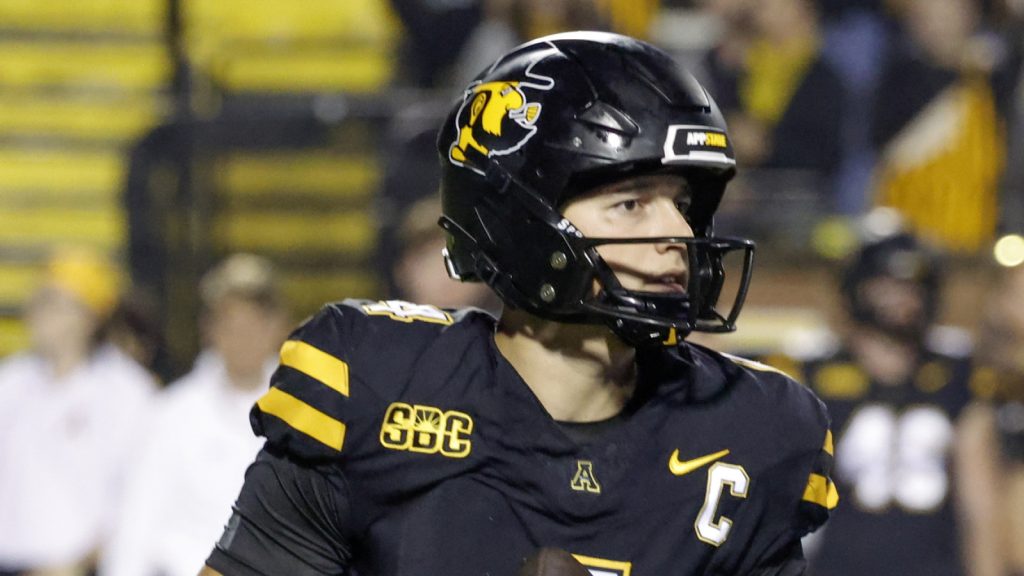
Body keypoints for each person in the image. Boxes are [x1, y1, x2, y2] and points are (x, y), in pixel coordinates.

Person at [201, 32, 836, 576]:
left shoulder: (753, 429)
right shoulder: (375, 386)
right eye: (631, 203)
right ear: (521, 225)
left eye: (684, 204)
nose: (678, 234)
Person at [787, 218, 977, 576]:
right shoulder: (810, 374)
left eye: (912, 285)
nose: (902, 297)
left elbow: (979, 500)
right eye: (887, 284)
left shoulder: (958, 373)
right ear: (857, 286)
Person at [100, 254, 290, 576]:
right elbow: (137, 523)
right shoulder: (171, 414)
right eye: (231, 324)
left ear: (279, 327)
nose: (243, 337)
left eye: (256, 322)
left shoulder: (311, 414)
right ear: (209, 329)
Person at [0, 247, 158, 576]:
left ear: (89, 317)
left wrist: (82, 562)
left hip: (88, 568)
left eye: (56, 304)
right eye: (40, 301)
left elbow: (138, 495)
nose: (40, 313)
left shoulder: (127, 391)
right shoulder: (10, 381)